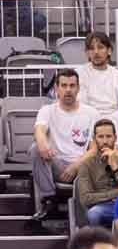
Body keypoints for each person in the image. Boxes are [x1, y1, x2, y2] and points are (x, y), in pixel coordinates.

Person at [31, 70, 100, 220]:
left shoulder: (92, 113)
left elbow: (95, 148)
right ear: (56, 88)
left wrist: (75, 165)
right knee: (35, 148)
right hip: (57, 164)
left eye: (72, 85)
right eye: (64, 85)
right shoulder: (47, 110)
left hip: (81, 166)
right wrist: (43, 145)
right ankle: (49, 200)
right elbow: (39, 130)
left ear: (78, 88)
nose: (68, 90)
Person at [77, 118, 118, 227]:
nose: (105, 141)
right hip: (101, 207)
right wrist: (117, 193)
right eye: (101, 137)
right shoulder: (86, 164)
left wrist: (115, 167)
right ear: (94, 139)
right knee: (94, 214)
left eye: (109, 136)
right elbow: (86, 198)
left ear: (115, 138)